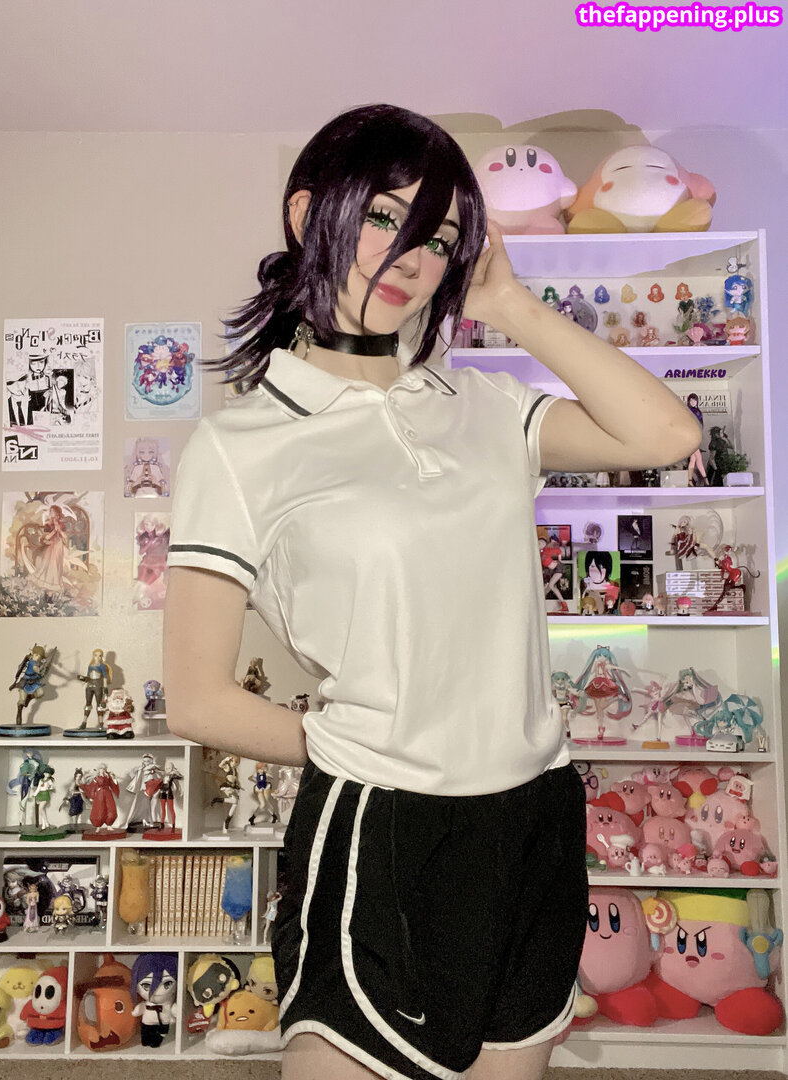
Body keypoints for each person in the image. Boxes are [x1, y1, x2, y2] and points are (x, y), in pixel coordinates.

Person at [163, 104, 700, 1080]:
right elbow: (197, 698)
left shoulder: (487, 406)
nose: (410, 255)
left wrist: (515, 307)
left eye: (440, 237)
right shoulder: (241, 446)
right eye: (384, 217)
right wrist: (354, 744)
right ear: (307, 215)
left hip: (534, 813)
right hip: (383, 823)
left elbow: (667, 436)